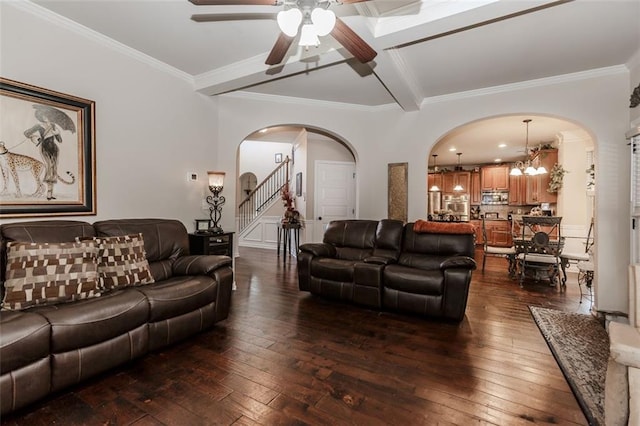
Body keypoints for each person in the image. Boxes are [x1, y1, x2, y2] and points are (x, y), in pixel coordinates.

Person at [24, 111, 62, 200]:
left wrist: (57, 133)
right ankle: (48, 194)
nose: (46, 117)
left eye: (48, 115)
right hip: (45, 147)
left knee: (54, 168)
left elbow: (59, 140)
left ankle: (50, 194)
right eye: (44, 116)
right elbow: (26, 133)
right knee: (49, 168)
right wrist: (35, 138)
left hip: (54, 148)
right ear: (40, 116)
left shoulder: (53, 125)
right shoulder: (39, 125)